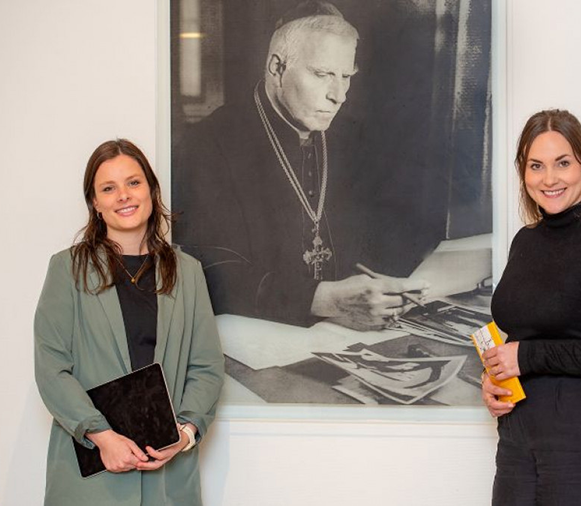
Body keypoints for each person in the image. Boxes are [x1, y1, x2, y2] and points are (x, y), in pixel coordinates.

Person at [173, 0, 428, 330]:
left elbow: (390, 230)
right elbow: (208, 271)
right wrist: (323, 299)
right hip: (259, 338)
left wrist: (385, 287)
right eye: (322, 74)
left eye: (346, 76)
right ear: (277, 68)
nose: (339, 95)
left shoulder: (350, 138)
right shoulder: (207, 145)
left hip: (351, 333)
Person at [34, 139, 225, 505]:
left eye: (133, 183)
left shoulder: (188, 273)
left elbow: (206, 368)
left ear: (151, 190)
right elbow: (52, 369)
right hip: (91, 478)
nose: (124, 195)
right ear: (95, 203)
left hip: (168, 480)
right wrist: (102, 436)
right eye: (109, 188)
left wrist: (183, 435)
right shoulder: (66, 270)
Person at [482, 110, 581, 505]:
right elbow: (522, 335)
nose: (549, 179)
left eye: (563, 163)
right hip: (521, 440)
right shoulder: (525, 241)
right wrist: (495, 379)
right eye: (536, 166)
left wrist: (529, 357)